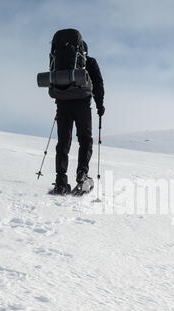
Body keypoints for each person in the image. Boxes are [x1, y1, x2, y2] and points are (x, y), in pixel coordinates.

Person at [54, 40, 105, 195]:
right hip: (82, 105)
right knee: (85, 139)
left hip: (63, 105)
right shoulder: (90, 62)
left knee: (63, 141)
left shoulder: (60, 62)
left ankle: (61, 182)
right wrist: (99, 105)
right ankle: (82, 175)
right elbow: (98, 84)